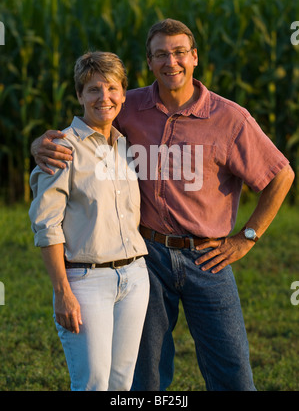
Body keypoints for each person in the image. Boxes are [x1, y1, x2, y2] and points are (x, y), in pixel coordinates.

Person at [31, 19, 295, 391]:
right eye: (161, 55)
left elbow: (281, 175)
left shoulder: (229, 118)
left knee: (232, 371)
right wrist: (40, 143)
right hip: (147, 257)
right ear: (150, 62)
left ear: (195, 57)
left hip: (208, 258)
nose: (171, 62)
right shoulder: (128, 105)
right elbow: (88, 127)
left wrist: (247, 237)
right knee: (145, 373)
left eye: (179, 52)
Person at [29, 51, 149, 391]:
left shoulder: (126, 145)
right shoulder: (62, 147)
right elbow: (46, 224)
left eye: (112, 88)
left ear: (124, 94)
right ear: (80, 95)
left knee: (121, 383)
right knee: (94, 383)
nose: (104, 97)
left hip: (135, 278)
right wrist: (61, 292)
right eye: (93, 89)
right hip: (85, 280)